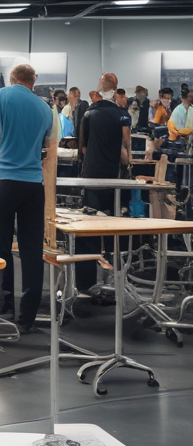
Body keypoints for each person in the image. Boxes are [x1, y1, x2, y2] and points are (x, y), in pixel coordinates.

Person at [0, 64, 54, 333]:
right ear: (34, 80)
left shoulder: (2, 96)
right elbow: (46, 149)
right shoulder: (45, 108)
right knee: (32, 250)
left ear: (11, 80)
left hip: (5, 181)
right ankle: (27, 318)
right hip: (33, 185)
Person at [76, 72, 131, 290]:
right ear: (116, 91)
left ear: (99, 90)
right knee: (114, 230)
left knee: (89, 231)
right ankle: (116, 282)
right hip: (114, 180)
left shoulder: (89, 114)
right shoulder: (122, 115)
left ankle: (86, 284)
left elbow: (83, 146)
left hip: (91, 178)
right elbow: (126, 151)